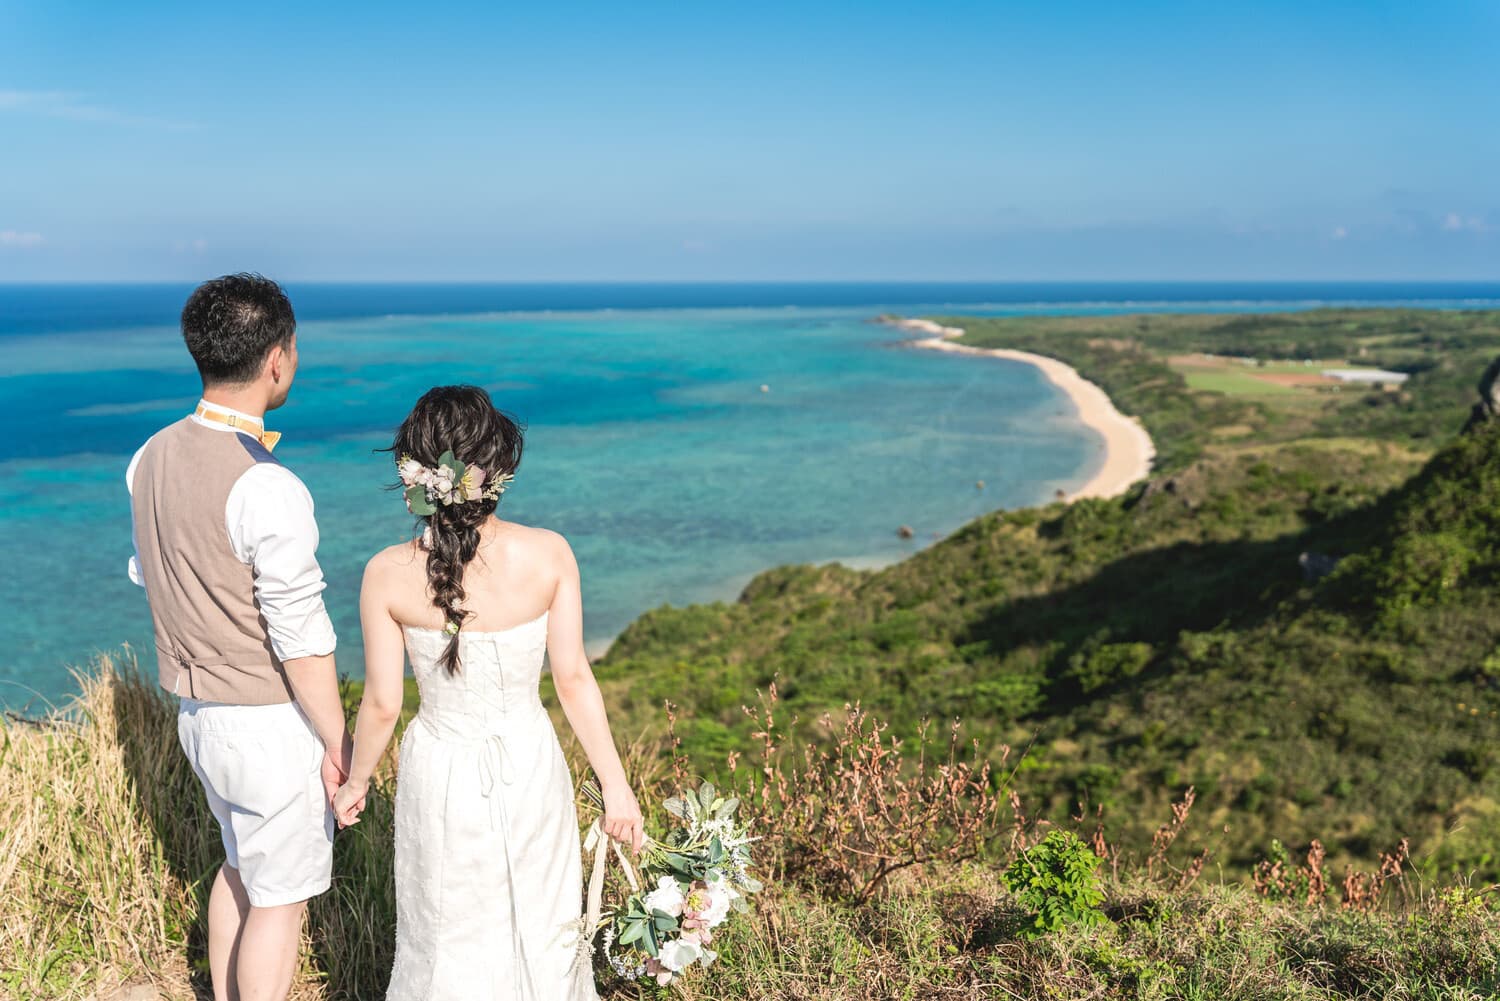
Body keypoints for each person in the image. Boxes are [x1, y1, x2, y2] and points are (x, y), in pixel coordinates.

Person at [332, 385, 642, 1000]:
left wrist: (356, 781)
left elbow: (384, 704)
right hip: (528, 762)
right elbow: (574, 677)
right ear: (499, 469)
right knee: (542, 916)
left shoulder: (384, 573)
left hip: (438, 768)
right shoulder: (550, 554)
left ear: (415, 473)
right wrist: (616, 785)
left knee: (443, 926)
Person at [126, 274, 350, 1001]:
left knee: (240, 869)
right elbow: (300, 636)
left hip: (197, 716)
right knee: (279, 905)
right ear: (277, 360)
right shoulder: (267, 485)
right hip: (267, 724)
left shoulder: (148, 456)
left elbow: (154, 571)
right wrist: (336, 738)